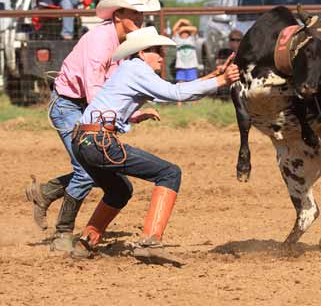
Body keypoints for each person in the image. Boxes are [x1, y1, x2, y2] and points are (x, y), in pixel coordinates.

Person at [68, 27, 240, 259]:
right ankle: (150, 242)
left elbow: (173, 92)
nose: (161, 55)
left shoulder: (130, 69)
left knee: (119, 191)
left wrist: (213, 76)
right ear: (140, 53)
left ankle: (86, 242)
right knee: (169, 173)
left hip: (83, 140)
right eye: (155, 50)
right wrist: (221, 80)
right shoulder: (137, 69)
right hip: (99, 142)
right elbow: (176, 93)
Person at [25, 0, 160, 252]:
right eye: (135, 13)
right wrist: (110, 123)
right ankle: (62, 233)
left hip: (82, 106)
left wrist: (130, 114)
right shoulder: (100, 41)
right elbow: (95, 89)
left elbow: (112, 90)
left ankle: (46, 193)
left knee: (93, 166)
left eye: (141, 14)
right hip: (69, 106)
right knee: (87, 168)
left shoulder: (121, 44)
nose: (140, 18)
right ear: (118, 14)